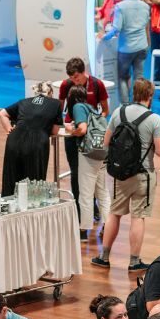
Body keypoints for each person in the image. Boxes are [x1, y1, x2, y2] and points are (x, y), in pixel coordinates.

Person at [93, 79, 160, 270]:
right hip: (143, 174)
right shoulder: (155, 119)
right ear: (150, 96)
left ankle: (104, 257)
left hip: (119, 173)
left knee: (114, 213)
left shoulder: (119, 112)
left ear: (134, 92)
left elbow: (106, 142)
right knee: (138, 217)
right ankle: (134, 261)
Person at [57, 57, 108, 207]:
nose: (74, 81)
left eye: (76, 77)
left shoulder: (97, 84)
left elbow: (105, 111)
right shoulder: (66, 85)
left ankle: (93, 206)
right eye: (71, 78)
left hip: (91, 136)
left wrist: (93, 125)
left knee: (93, 172)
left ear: (83, 71)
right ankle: (78, 207)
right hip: (72, 134)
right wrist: (67, 126)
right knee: (75, 171)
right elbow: (59, 109)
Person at [0, 83, 63, 196]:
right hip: (37, 143)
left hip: (14, 139)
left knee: (11, 178)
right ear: (50, 93)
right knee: (34, 181)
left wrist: (9, 130)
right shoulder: (56, 103)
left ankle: (8, 204)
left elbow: (2, 114)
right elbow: (54, 131)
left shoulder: (24, 101)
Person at [65, 86, 110, 240]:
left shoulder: (78, 107)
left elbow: (83, 129)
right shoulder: (92, 108)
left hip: (88, 154)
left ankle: (84, 230)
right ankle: (108, 226)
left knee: (85, 193)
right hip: (101, 153)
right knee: (102, 192)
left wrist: (71, 130)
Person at [97, 0, 150, 102]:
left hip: (126, 48)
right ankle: (138, 103)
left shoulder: (120, 7)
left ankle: (125, 106)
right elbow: (146, 26)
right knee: (139, 78)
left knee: (123, 78)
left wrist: (104, 36)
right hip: (142, 46)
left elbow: (116, 28)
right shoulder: (145, 5)